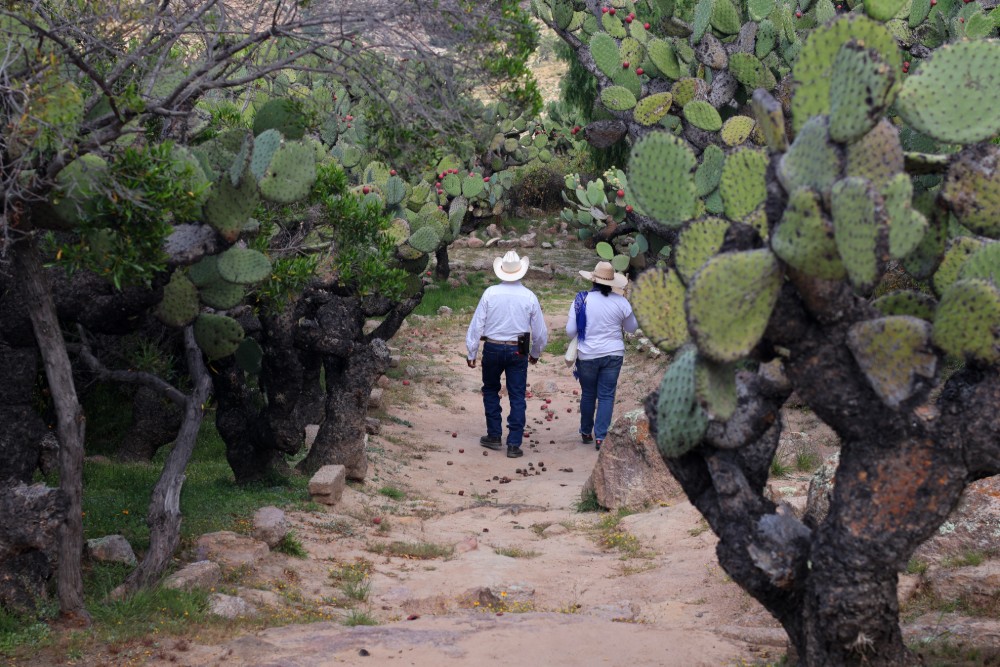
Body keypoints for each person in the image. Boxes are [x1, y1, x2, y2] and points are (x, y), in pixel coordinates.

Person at [466, 250, 548, 459]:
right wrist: (536, 353)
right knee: (517, 394)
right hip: (518, 346)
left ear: (502, 271)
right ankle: (514, 443)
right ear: (521, 271)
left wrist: (472, 351)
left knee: (491, 389)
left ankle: (494, 435)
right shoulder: (529, 296)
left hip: (492, 346)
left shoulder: (490, 293)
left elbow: (477, 325)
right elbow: (539, 332)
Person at [566, 261, 638, 451]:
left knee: (589, 393)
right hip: (613, 353)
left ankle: (585, 431)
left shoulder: (581, 300)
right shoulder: (621, 301)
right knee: (606, 395)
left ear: (593, 280)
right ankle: (601, 436)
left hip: (587, 354)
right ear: (612, 282)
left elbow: (570, 331)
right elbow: (631, 327)